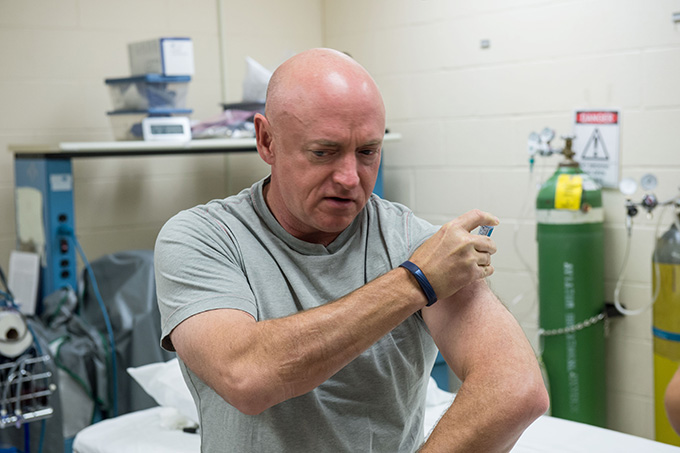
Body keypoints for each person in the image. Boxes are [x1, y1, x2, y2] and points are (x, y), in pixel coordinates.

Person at [154, 48, 549, 452]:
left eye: (367, 152)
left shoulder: (414, 241)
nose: (348, 178)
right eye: (323, 152)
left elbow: (515, 387)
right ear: (266, 140)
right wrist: (415, 282)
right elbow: (247, 376)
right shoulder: (204, 238)